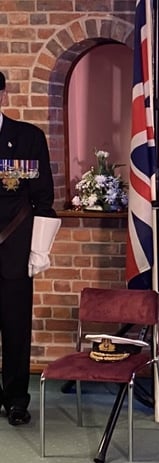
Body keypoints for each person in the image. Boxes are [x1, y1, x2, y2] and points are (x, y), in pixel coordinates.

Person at [0, 71, 59, 425]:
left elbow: (43, 198)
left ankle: (16, 399)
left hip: (15, 250)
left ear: (2, 95)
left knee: (16, 327)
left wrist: (39, 249)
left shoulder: (27, 138)